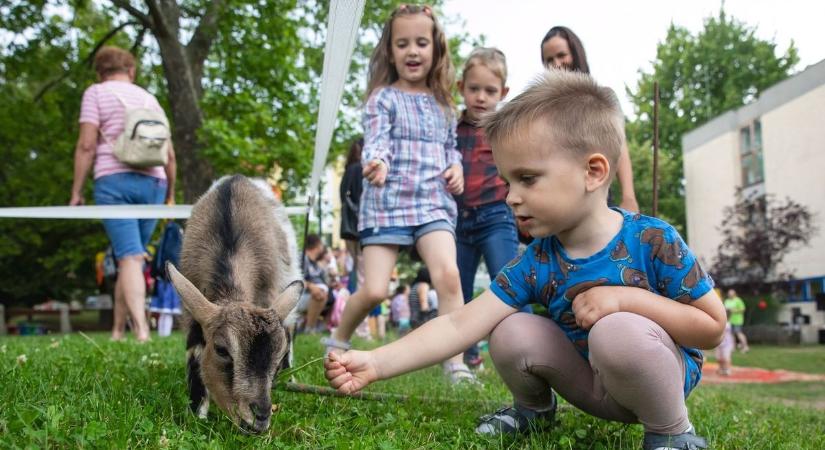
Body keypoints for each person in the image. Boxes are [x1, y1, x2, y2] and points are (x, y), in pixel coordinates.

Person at [325, 70, 726, 449]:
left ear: (593, 172)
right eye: (506, 182)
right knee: (508, 328)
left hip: (658, 384)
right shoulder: (537, 260)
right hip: (591, 385)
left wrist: (625, 301)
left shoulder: (653, 239)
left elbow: (711, 327)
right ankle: (533, 412)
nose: (510, 196)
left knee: (616, 331)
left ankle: (673, 433)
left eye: (528, 179)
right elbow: (460, 323)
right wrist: (376, 363)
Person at [322, 4, 475, 384]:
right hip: (387, 201)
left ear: (435, 50)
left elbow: (450, 147)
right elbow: (375, 142)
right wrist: (377, 164)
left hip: (432, 202)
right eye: (402, 43)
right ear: (390, 51)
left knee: (449, 276)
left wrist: (456, 168)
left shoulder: (444, 104)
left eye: (421, 43)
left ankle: (454, 363)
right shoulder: (382, 98)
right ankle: (338, 339)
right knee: (374, 289)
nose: (412, 51)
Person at [71, 46, 176, 342]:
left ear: (100, 72)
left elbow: (87, 145)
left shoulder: (96, 93)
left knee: (129, 257)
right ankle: (118, 331)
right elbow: (169, 154)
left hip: (114, 181)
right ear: (131, 71)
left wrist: (76, 192)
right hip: (153, 185)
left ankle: (142, 332)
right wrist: (170, 193)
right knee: (130, 257)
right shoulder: (149, 99)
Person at [454, 47, 520, 369]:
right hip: (460, 222)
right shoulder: (451, 128)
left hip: (496, 216)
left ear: (503, 93)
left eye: (490, 91)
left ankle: (524, 349)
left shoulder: (506, 128)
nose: (481, 97)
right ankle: (467, 356)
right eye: (474, 89)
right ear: (460, 88)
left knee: (508, 281)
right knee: (458, 289)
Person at [540, 26, 638, 212]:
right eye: (549, 60)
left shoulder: (603, 97)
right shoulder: (543, 109)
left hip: (597, 199)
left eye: (562, 55)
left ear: (576, 54)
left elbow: (619, 147)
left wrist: (629, 197)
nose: (556, 64)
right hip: (556, 202)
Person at [339, 138, 365, 294]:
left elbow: (343, 196)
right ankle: (364, 311)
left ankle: (354, 299)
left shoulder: (349, 170)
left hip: (350, 226)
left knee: (356, 264)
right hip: (363, 223)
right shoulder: (361, 169)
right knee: (363, 266)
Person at [297, 233, 331, 333]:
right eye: (321, 245)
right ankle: (309, 328)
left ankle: (318, 326)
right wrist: (311, 286)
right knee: (320, 295)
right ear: (318, 245)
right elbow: (294, 279)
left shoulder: (315, 263)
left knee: (335, 297)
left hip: (313, 294)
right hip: (299, 297)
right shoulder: (302, 258)